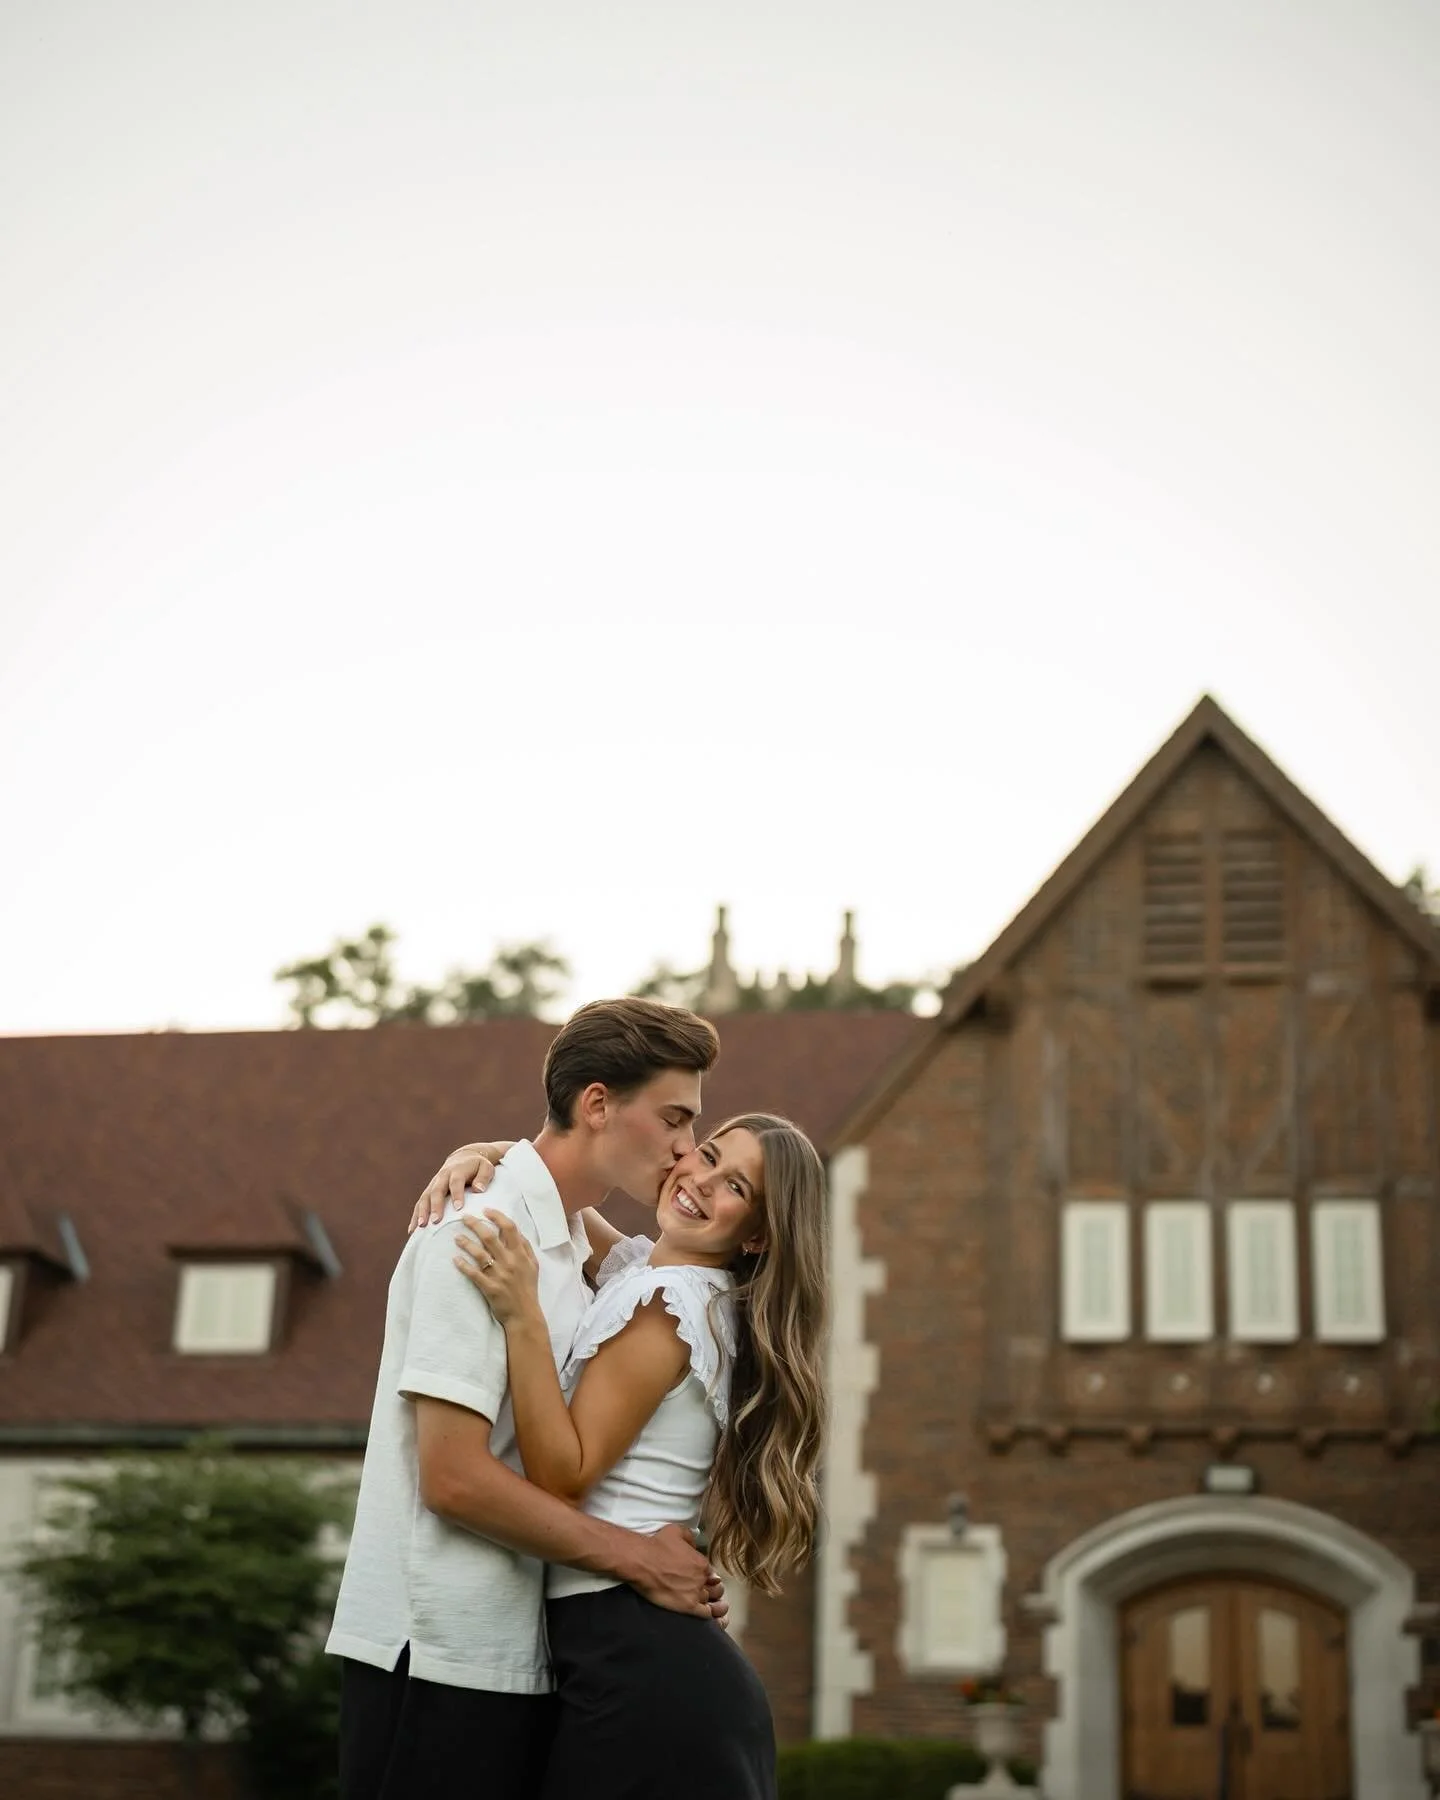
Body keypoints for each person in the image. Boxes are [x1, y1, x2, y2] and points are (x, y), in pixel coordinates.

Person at [325, 997, 728, 1800]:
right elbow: (453, 1479)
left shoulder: (575, 1243)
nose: (687, 1149)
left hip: (519, 1654)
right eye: (675, 1118)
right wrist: (639, 1559)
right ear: (598, 1104)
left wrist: (494, 1149)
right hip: (433, 1652)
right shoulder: (477, 1232)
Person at [416, 1110, 828, 1800]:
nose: (701, 1181)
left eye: (736, 1188)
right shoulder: (664, 1278)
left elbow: (563, 1478)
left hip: (640, 1663)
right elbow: (555, 1190)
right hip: (645, 1656)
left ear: (757, 1235)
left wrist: (523, 1317)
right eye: (708, 1155)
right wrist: (482, 1152)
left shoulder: (666, 1306)